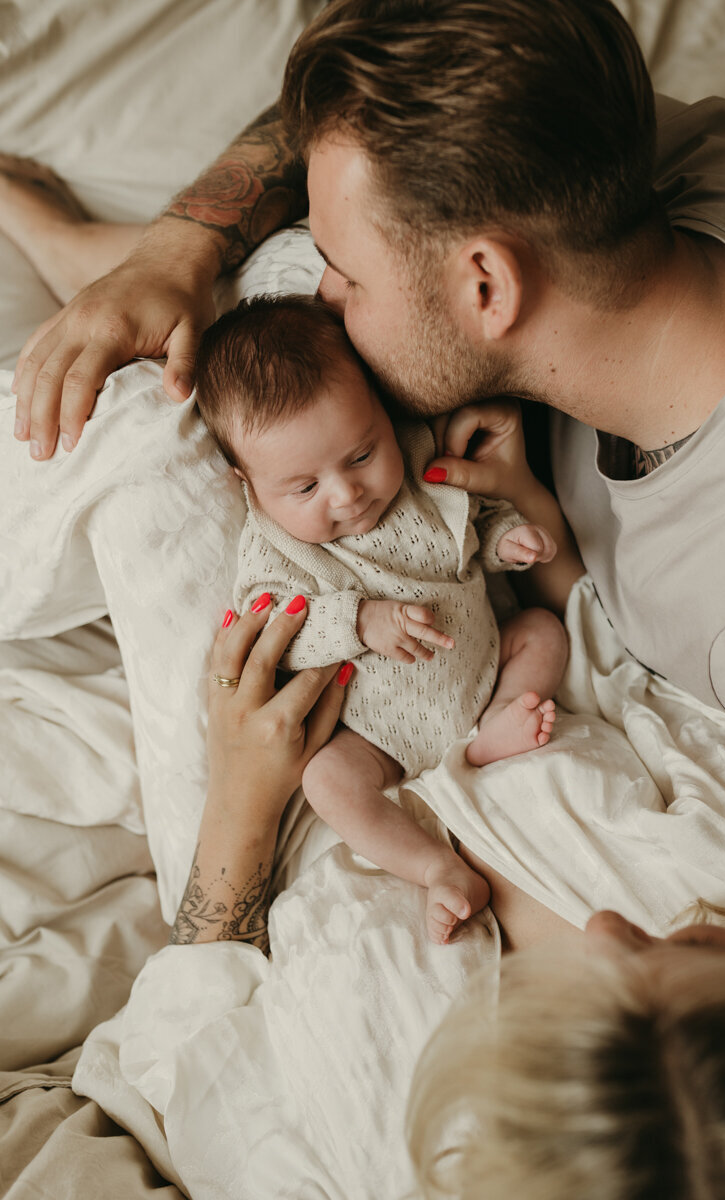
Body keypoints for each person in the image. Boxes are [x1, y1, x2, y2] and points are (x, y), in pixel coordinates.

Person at [4, 0, 725, 777]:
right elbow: (349, 124)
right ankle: (78, 248)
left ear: (486, 286)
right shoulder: (650, 146)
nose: (329, 292)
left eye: (348, 275)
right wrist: (174, 254)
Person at [172, 582, 725, 1198]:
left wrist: (239, 793)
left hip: (269, 809)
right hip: (472, 650)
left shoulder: (361, 1136)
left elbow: (185, 1040)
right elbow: (606, 651)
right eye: (692, 946)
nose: (606, 925)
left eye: (576, 1002)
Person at [193, 291, 568, 942]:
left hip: (481, 667)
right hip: (376, 733)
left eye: (362, 454)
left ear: (379, 413)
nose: (346, 493)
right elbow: (281, 633)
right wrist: (361, 622)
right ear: (244, 482)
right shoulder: (272, 548)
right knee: (327, 781)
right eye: (305, 487)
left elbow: (468, 524)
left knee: (543, 634)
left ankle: (491, 734)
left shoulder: (419, 468)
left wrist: (508, 538)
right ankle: (436, 871)